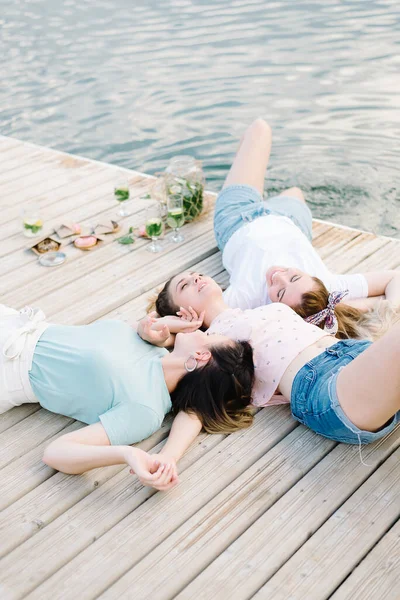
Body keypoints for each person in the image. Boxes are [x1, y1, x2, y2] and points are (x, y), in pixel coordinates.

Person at [152, 269, 400, 479]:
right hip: (325, 388)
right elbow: (196, 406)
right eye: (184, 285)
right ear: (179, 311)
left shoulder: (259, 310)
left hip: (352, 354)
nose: (196, 279)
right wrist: (169, 456)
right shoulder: (208, 347)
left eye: (196, 274)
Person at [0, 303, 254, 490]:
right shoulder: (154, 346)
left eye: (207, 336)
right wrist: (162, 327)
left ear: (202, 356)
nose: (202, 331)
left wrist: (126, 454)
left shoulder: (145, 409)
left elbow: (56, 453)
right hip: (12, 323)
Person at [214, 118, 400, 338]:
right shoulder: (329, 286)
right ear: (315, 281)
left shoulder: (246, 299)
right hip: (290, 221)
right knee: (295, 191)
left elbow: (208, 319)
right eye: (294, 278)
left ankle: (245, 180)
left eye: (280, 292)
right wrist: (389, 311)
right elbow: (393, 278)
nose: (278, 276)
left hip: (238, 218)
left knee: (259, 129)